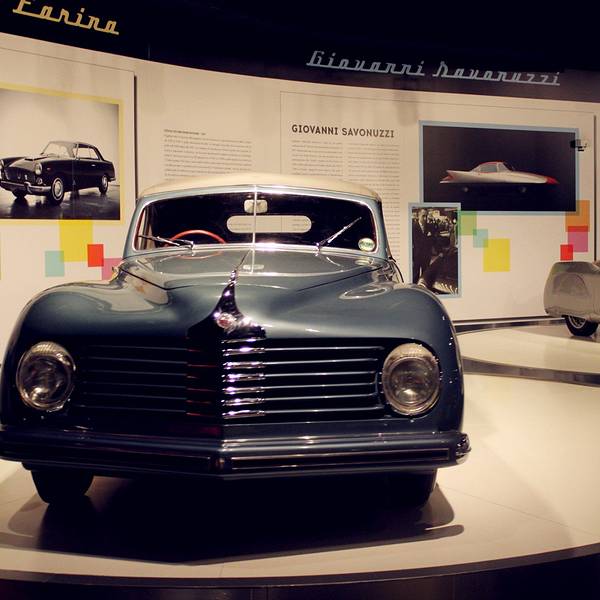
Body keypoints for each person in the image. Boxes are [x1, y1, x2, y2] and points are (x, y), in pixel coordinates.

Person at [412, 208, 432, 283]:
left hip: (426, 256)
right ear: (418, 216)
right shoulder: (413, 227)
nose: (425, 218)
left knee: (425, 276)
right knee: (415, 275)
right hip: (417, 256)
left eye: (426, 216)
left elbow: (433, 240)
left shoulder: (430, 227)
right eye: (423, 216)